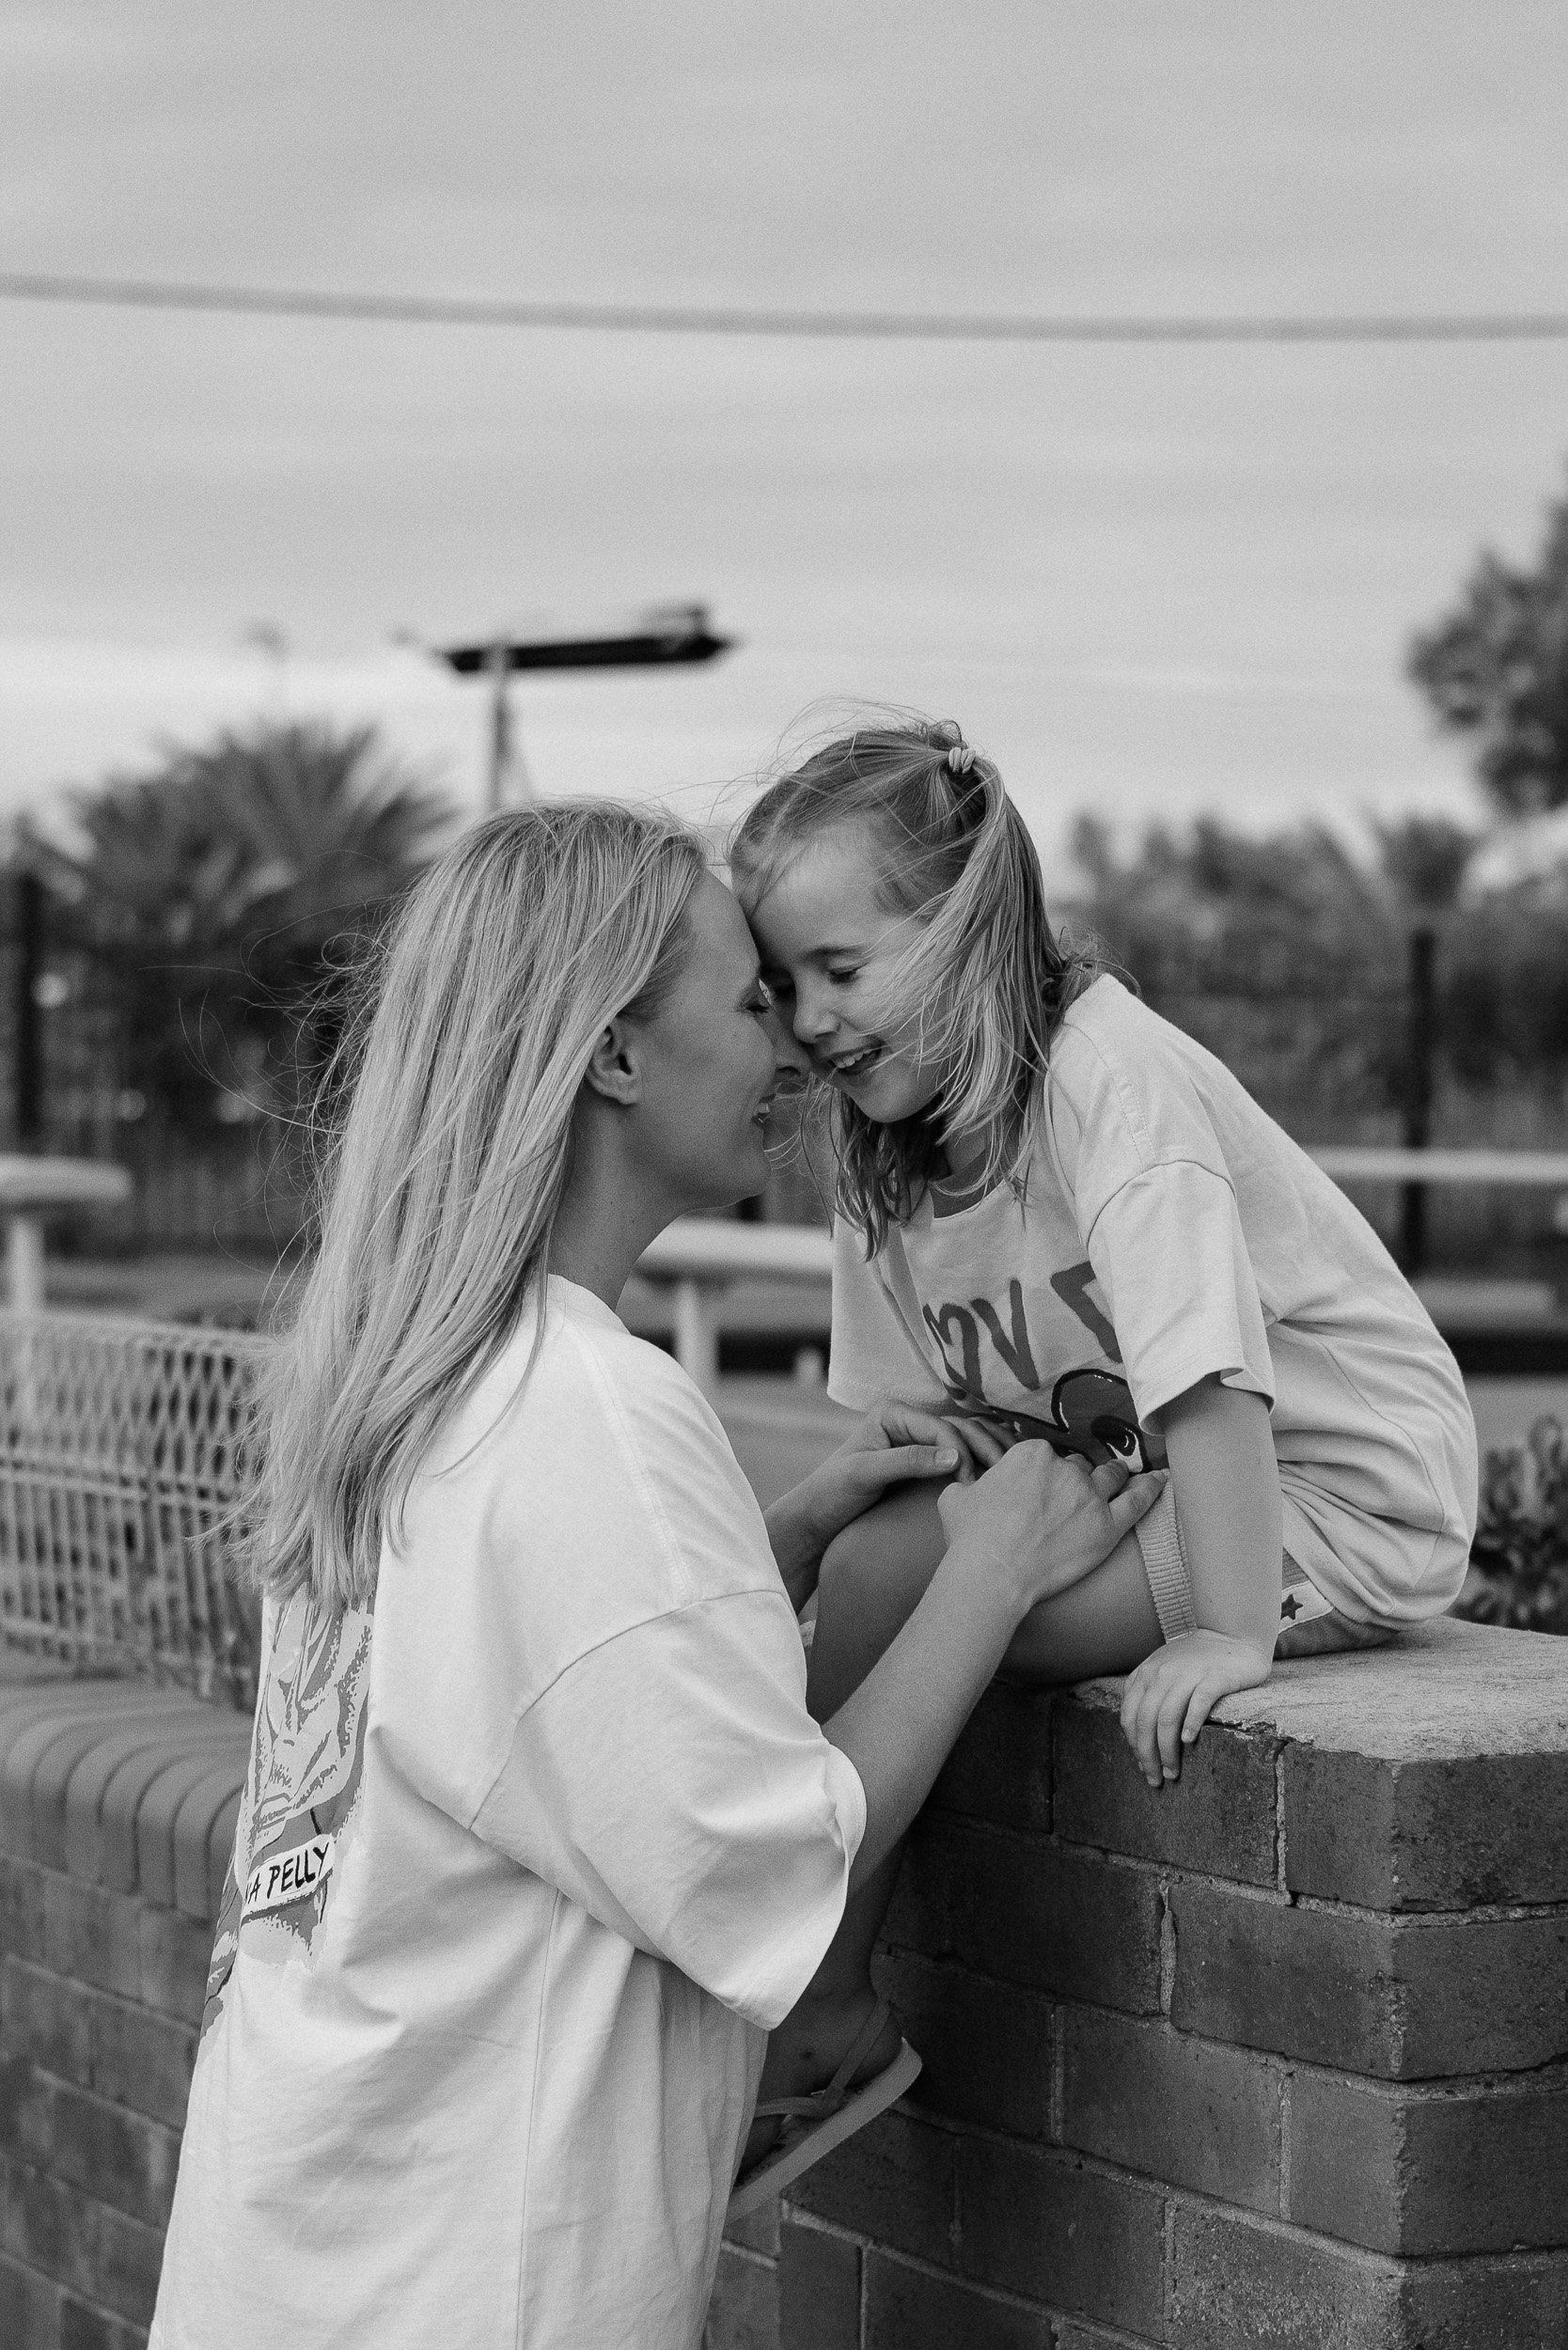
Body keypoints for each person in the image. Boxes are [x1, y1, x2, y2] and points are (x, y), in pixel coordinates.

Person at [149, 802, 1163, 2350]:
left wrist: (783, 1548)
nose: (794, 1046)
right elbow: (780, 1873)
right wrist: (992, 1572)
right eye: (752, 998)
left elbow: (521, 1715)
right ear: (616, 1055)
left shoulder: (411, 1386)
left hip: (286, 2268)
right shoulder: (591, 1410)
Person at [729, 713, 1478, 2118]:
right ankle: (807, 1984)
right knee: (886, 1554)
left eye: (841, 968)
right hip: (1160, 1483)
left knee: (911, 1584)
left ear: (964, 927)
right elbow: (931, 1426)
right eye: (781, 984)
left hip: (1325, 1492)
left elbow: (1210, 1383)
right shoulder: (886, 1147)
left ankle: (814, 1999)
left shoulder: (1107, 1088)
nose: (811, 1018)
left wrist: (1226, 1632)